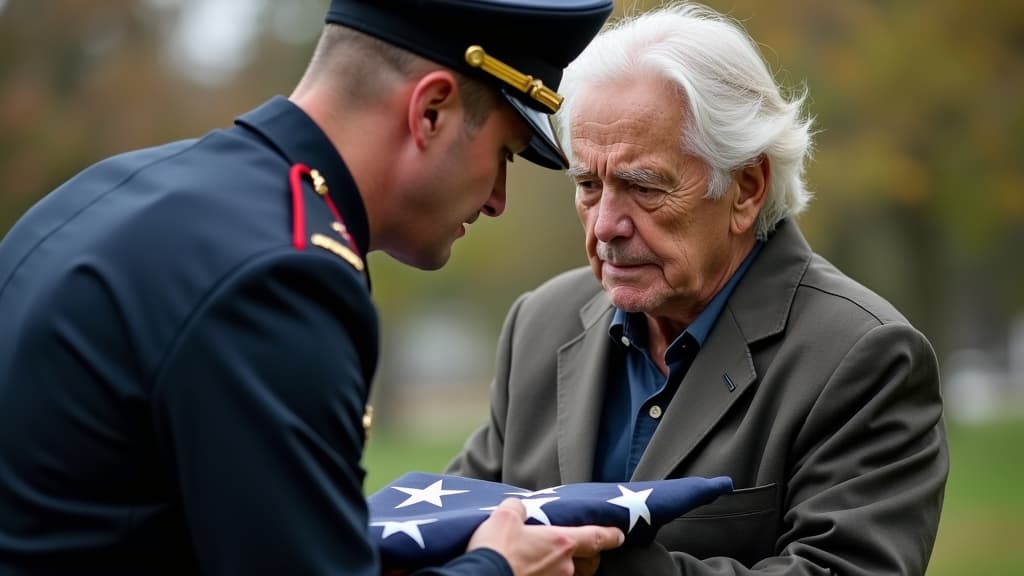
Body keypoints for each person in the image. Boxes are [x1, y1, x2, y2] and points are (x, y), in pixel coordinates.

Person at [0, 1, 624, 575]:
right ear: (430, 112)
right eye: (505, 154)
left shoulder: (106, 192)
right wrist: (497, 568)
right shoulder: (280, 278)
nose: (497, 200)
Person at [446, 3, 949, 575]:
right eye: (588, 184)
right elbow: (449, 524)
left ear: (746, 188)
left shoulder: (862, 356)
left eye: (642, 186)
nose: (606, 223)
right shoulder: (540, 324)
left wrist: (583, 562)